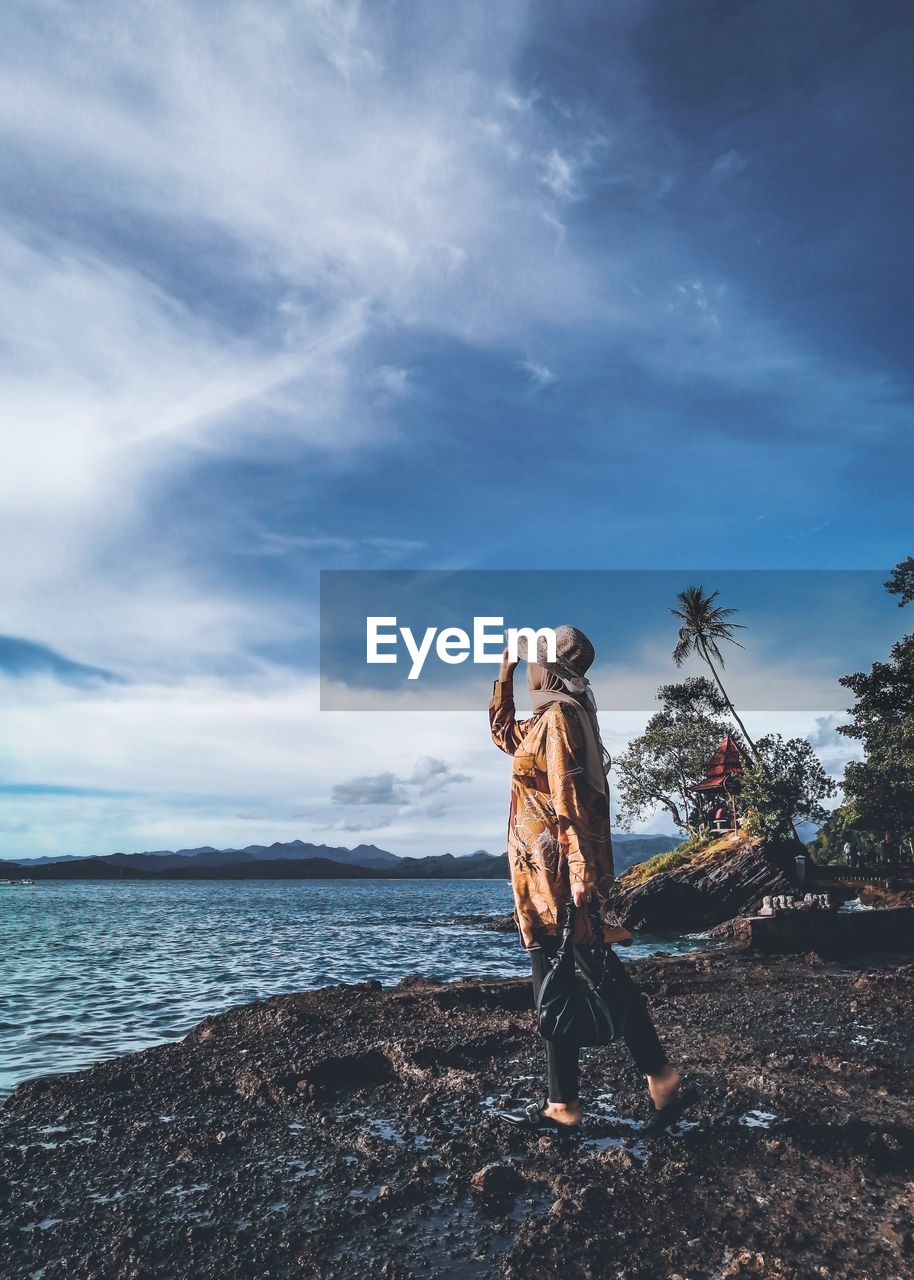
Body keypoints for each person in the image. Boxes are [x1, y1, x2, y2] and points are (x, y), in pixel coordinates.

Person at [489, 625, 693, 1133]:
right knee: (572, 973)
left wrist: (580, 872)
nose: (529, 666)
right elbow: (501, 735)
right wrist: (503, 675)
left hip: (559, 875)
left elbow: (569, 798)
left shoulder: (559, 718)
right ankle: (644, 1081)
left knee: (564, 976)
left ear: (551, 668)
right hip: (542, 875)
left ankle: (586, 1099)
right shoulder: (545, 719)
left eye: (534, 660)